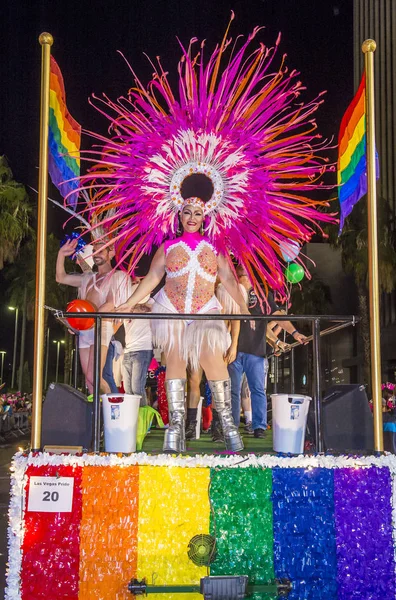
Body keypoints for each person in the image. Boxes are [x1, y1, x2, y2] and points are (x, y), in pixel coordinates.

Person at [117, 197, 251, 453]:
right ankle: (176, 428)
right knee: (176, 359)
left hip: (205, 310)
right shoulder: (168, 247)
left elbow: (228, 279)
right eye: (187, 212)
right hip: (172, 308)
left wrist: (244, 308)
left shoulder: (215, 247)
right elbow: (153, 277)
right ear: (179, 216)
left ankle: (229, 425)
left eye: (197, 213)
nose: (192, 217)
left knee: (213, 361)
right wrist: (130, 302)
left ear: (204, 218)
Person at [228, 265, 308, 438]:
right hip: (232, 349)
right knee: (232, 390)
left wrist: (294, 333)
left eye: (245, 264)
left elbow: (278, 315)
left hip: (255, 351)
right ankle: (232, 427)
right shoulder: (229, 288)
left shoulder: (262, 294)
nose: (241, 268)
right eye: (238, 265)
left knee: (257, 389)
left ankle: (259, 427)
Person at [56, 238, 131, 394]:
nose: (96, 254)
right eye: (94, 250)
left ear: (111, 253)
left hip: (101, 326)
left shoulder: (117, 276)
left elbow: (110, 304)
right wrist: (61, 254)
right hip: (85, 330)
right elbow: (60, 278)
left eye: (101, 250)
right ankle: (97, 416)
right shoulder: (88, 278)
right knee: (89, 381)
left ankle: (115, 412)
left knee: (94, 376)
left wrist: (85, 318)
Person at [122, 283, 154, 406]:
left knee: (137, 389)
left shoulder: (150, 305)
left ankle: (143, 419)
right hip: (128, 351)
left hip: (142, 350)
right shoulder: (126, 306)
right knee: (128, 390)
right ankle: (132, 418)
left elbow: (149, 294)